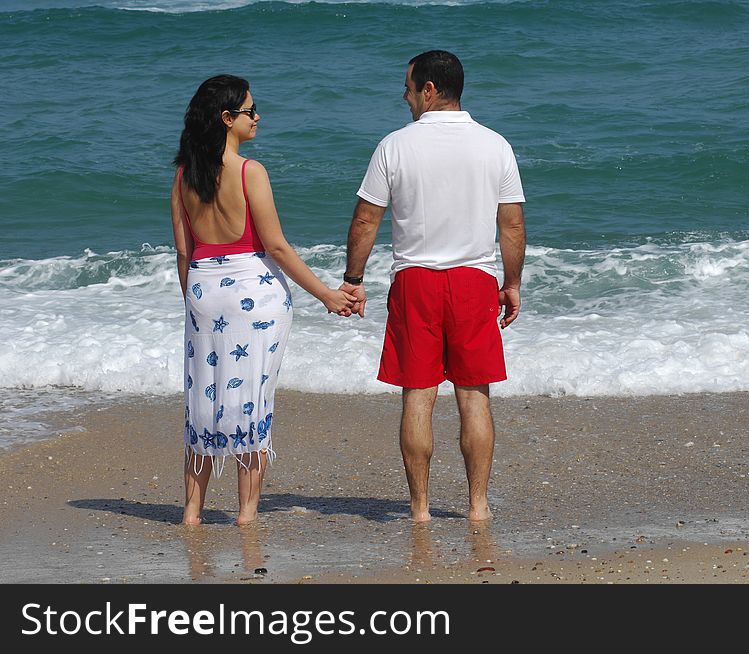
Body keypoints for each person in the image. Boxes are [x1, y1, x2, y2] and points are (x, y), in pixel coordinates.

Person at [341, 51, 526, 522]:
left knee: (418, 395)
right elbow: (512, 226)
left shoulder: (395, 146)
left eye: (407, 87)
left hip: (415, 280)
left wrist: (353, 280)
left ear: (428, 89)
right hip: (474, 279)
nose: (403, 96)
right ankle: (478, 506)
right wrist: (511, 283)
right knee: (474, 396)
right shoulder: (495, 145)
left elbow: (366, 220)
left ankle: (420, 509)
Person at [171, 75, 355, 525]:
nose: (258, 117)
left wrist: (196, 303)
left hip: (203, 292)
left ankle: (193, 512)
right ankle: (246, 513)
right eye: (251, 111)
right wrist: (327, 294)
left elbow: (183, 251)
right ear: (226, 118)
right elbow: (276, 246)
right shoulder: (250, 172)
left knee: (205, 403)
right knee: (250, 399)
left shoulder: (183, 176)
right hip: (253, 293)